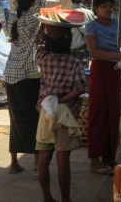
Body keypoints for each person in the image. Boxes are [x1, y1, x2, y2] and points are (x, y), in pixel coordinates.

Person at [35, 22, 87, 202]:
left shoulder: (43, 58)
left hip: (46, 112)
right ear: (69, 42)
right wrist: (62, 99)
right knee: (62, 158)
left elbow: (38, 41)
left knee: (44, 156)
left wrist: (44, 25)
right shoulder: (74, 62)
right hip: (65, 113)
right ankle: (66, 199)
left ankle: (47, 197)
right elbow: (80, 87)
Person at [3, 0, 46, 174]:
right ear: (32, 4)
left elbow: (20, 0)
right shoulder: (32, 17)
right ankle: (37, 165)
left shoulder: (13, 17)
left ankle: (14, 164)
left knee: (16, 119)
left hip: (11, 75)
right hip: (31, 75)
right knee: (36, 120)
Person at [85, 0, 121, 175]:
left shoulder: (117, 23)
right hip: (100, 70)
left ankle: (109, 157)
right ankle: (95, 160)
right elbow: (95, 53)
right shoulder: (90, 26)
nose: (108, 9)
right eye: (103, 6)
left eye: (110, 6)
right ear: (96, 9)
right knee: (98, 113)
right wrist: (117, 55)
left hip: (117, 71)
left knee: (114, 114)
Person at [69, 0, 96, 68]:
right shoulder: (89, 13)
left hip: (69, 48)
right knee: (82, 72)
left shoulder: (67, 12)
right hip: (83, 48)